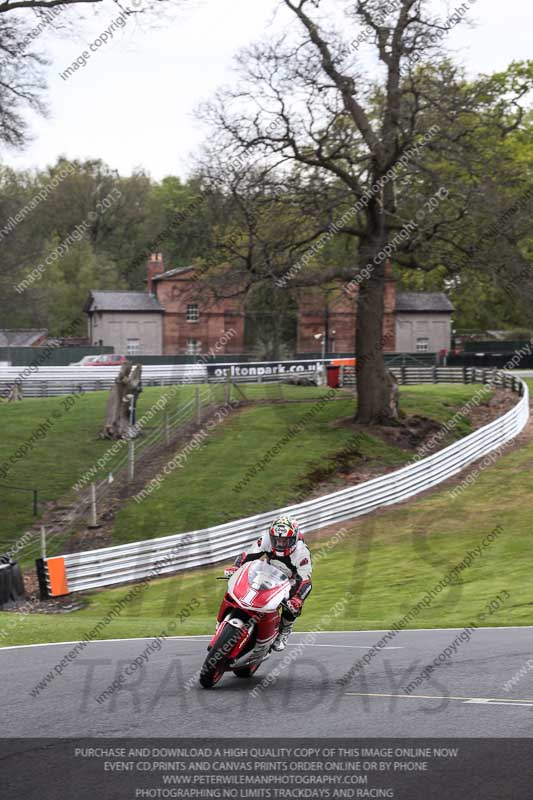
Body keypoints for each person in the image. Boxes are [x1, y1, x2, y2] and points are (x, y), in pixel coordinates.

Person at [224, 515, 312, 652]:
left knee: (292, 604)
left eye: (285, 541)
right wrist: (236, 567)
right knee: (247, 581)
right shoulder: (266, 539)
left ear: (293, 539)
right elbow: (248, 555)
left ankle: (285, 630)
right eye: (277, 540)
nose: (280, 544)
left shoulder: (302, 552)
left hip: (290, 580)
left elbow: (306, 581)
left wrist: (297, 599)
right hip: (267, 571)